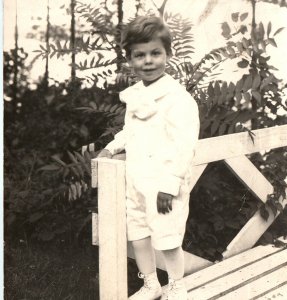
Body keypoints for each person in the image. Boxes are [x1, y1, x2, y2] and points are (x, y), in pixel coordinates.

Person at [98, 15, 200, 300]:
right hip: (137, 179)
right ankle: (151, 284)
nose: (148, 61)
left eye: (155, 53)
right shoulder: (135, 96)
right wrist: (112, 148)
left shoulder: (178, 99)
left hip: (164, 184)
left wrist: (169, 184)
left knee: (167, 237)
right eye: (139, 55)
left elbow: (185, 145)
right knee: (139, 233)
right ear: (129, 60)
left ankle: (177, 285)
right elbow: (130, 132)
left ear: (168, 53)